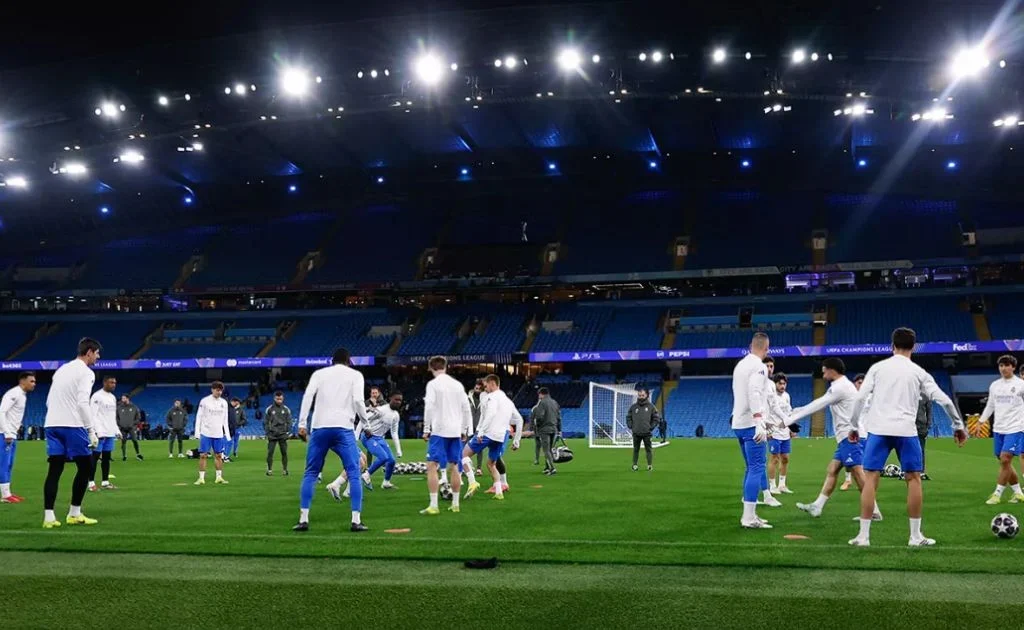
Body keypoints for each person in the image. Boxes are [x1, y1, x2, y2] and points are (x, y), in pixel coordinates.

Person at [847, 327, 968, 547]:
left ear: (891, 345)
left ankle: (863, 537)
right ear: (914, 346)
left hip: (878, 430)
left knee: (871, 479)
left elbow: (859, 399)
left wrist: (854, 426)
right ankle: (915, 537)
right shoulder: (918, 372)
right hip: (906, 431)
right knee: (913, 479)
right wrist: (958, 425)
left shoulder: (877, 368)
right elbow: (946, 400)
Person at [788, 358, 882, 521]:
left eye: (825, 369)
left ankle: (874, 511)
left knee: (858, 474)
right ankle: (818, 506)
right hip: (847, 437)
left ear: (833, 370)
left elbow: (818, 404)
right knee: (832, 469)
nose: (823, 372)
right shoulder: (841, 386)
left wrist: (792, 417)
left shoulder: (840, 387)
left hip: (851, 437)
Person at [294, 348, 369, 532]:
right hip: (344, 428)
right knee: (353, 472)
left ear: (331, 360)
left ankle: (303, 519)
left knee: (311, 473)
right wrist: (366, 424)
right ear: (348, 360)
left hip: (320, 427)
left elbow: (308, 397)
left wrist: (302, 424)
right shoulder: (355, 375)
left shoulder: (319, 374)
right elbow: (359, 401)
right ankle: (355, 520)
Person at [42, 338, 102, 528]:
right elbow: (83, 402)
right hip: (72, 425)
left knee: (54, 470)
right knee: (86, 467)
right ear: (90, 352)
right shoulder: (86, 372)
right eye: (97, 353)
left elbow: (49, 400)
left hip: (51, 424)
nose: (98, 357)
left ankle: (49, 517)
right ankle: (74, 513)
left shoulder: (62, 369)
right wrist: (91, 430)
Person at [732, 332, 775, 529]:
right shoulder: (759, 367)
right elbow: (754, 392)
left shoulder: (740, 365)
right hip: (752, 424)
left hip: (739, 424)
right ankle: (748, 518)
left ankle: (750, 513)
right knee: (757, 467)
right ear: (766, 348)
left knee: (751, 468)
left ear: (751, 345)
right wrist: (759, 421)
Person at [420, 356, 472, 515]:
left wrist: (426, 428)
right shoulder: (457, 385)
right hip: (455, 431)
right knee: (455, 466)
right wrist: (465, 430)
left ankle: (434, 505)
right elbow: (466, 408)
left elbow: (429, 407)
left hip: (439, 430)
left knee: (431, 466)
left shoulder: (433, 385)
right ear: (445, 367)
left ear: (431, 368)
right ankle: (455, 504)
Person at [462, 374, 523, 500]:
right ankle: (499, 492)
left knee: (463, 455)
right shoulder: (507, 401)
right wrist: (516, 441)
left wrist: (481, 432)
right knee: (491, 464)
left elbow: (490, 414)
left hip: (489, 433)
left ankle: (472, 482)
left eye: (486, 386)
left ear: (492, 384)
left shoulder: (492, 397)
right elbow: (519, 420)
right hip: (501, 436)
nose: (485, 389)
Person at [981, 355, 1024, 505]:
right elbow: (991, 405)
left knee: (1006, 459)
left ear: (1013, 367)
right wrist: (981, 421)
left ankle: (997, 494)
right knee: (1004, 462)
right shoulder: (994, 385)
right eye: (1001, 366)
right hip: (999, 428)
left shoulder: (1021, 385)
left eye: (1007, 365)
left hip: (1016, 428)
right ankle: (1018, 493)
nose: (1003, 368)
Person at [357, 391, 404, 489]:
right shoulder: (381, 410)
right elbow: (363, 419)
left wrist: (398, 449)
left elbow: (394, 432)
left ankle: (386, 482)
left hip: (379, 438)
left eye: (400, 400)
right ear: (390, 398)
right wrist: (357, 435)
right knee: (383, 457)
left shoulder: (396, 415)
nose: (398, 402)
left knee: (391, 461)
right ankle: (366, 475)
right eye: (396, 399)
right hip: (368, 437)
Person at [0, 371, 36, 503]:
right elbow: (2, 412)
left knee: (9, 464)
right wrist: (6, 432)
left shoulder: (22, 395)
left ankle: (7, 493)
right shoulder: (14, 394)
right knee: (4, 463)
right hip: (4, 434)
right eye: (31, 381)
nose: (34, 384)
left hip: (12, 434)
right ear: (22, 381)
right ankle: (5, 495)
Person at [193, 382, 230, 486]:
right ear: (212, 390)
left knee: (218, 455)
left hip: (218, 433)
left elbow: (225, 419)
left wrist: (227, 434)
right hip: (206, 432)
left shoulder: (224, 402)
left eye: (221, 390)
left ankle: (219, 477)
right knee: (203, 455)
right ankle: (201, 478)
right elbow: (199, 416)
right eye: (217, 390)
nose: (219, 392)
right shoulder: (204, 401)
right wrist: (197, 432)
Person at [88, 375, 119, 492]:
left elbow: (112, 416)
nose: (113, 385)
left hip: (110, 432)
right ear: (104, 383)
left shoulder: (113, 397)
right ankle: (90, 483)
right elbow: (93, 415)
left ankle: (105, 482)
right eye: (111, 382)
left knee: (107, 457)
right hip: (100, 433)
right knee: (94, 457)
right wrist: (98, 431)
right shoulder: (97, 396)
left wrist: (116, 430)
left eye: (114, 383)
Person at [767, 373, 793, 495]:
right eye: (780, 383)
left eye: (784, 383)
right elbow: (766, 413)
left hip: (785, 432)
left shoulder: (787, 396)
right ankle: (772, 486)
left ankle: (782, 485)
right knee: (774, 459)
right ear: (775, 384)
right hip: (774, 432)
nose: (782, 386)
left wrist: (792, 428)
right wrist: (767, 430)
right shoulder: (771, 396)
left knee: (785, 458)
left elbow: (789, 413)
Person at [841, 373, 868, 491]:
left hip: (866, 432)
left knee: (863, 459)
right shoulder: (851, 398)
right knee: (848, 460)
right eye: (859, 383)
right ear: (854, 384)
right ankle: (848, 480)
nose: (861, 385)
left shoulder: (871, 397)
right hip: (852, 432)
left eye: (863, 383)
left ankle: (862, 482)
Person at [626, 388, 659, 472]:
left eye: (643, 395)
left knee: (648, 450)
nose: (641, 397)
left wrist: (651, 427)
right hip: (636, 432)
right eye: (639, 395)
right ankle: (634, 465)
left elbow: (656, 418)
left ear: (647, 395)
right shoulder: (633, 407)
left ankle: (649, 465)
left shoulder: (651, 407)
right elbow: (628, 417)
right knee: (635, 449)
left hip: (647, 433)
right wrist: (630, 426)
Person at [264, 391, 292, 476]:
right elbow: (266, 422)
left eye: (281, 399)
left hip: (282, 434)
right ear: (274, 398)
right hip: (272, 435)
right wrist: (268, 432)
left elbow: (289, 422)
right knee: (270, 453)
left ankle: (285, 470)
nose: (279, 400)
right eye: (277, 399)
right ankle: (269, 470)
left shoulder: (286, 409)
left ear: (283, 399)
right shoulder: (269, 409)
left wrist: (287, 431)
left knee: (284, 452)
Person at [117, 395, 143, 462]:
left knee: (134, 440)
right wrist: (120, 424)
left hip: (131, 428)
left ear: (127, 399)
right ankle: (124, 456)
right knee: (123, 442)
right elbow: (116, 418)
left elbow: (138, 417)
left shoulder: (134, 407)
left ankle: (138, 454)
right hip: (122, 428)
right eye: (122, 398)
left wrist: (133, 424)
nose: (122, 399)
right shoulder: (119, 408)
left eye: (124, 398)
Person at [915, 395, 933, 481]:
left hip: (921, 426)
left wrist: (928, 424)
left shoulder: (926, 395)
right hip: (909, 425)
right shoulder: (909, 390)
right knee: (906, 449)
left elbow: (929, 410)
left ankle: (921, 471)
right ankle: (908, 470)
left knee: (921, 449)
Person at [468, 380, 485, 473]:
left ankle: (479, 468)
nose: (477, 390)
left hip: (479, 427)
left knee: (479, 448)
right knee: (465, 448)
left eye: (479, 389)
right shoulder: (468, 398)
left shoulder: (485, 399)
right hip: (469, 427)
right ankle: (466, 467)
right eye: (476, 388)